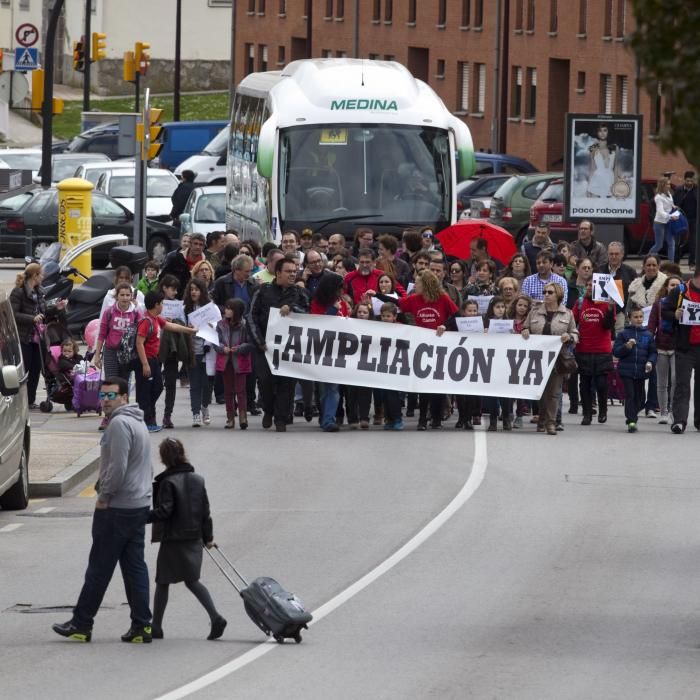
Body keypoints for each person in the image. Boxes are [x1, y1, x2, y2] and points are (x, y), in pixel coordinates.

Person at [52, 377, 153, 644]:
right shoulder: (138, 420)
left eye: (111, 396)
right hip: (138, 505)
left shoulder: (119, 424)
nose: (106, 401)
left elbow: (117, 468)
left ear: (124, 397)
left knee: (99, 568)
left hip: (118, 507)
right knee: (134, 568)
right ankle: (142, 626)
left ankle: (81, 623)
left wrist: (104, 495)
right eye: (103, 396)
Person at [148, 437, 226, 641]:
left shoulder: (167, 482)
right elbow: (205, 512)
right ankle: (215, 617)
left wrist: (142, 516)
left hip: (174, 539)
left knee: (162, 582)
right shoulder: (198, 480)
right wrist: (208, 538)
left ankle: (156, 626)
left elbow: (165, 511)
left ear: (164, 458)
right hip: (194, 538)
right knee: (192, 581)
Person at [247, 255, 310, 432]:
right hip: (265, 348)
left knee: (286, 384)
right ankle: (268, 410)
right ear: (278, 273)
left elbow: (308, 315)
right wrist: (259, 342)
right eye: (288, 271)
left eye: (294, 271)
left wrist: (292, 309)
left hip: (288, 348)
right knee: (266, 382)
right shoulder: (263, 291)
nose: (292, 274)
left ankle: (281, 418)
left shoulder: (300, 293)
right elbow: (251, 316)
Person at [398, 270, 457, 430]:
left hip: (440, 347)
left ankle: (436, 419)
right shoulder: (415, 299)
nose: (415, 286)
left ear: (426, 284)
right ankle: (422, 419)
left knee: (437, 386)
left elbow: (456, 314)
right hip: (422, 347)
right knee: (423, 386)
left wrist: (445, 325)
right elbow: (398, 303)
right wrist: (376, 295)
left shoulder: (443, 298)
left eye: (417, 283)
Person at [134, 291, 196, 432]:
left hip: (155, 360)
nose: (163, 306)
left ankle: (149, 418)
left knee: (157, 388)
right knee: (144, 393)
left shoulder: (156, 318)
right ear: (156, 305)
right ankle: (146, 421)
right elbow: (139, 343)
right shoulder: (146, 321)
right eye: (161, 303)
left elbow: (170, 326)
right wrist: (144, 364)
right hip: (147, 361)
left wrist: (188, 331)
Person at [522, 282, 579, 435]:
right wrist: (525, 331)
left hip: (558, 358)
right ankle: (541, 420)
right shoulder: (534, 312)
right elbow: (524, 327)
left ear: (558, 295)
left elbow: (575, 333)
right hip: (537, 358)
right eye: (545, 292)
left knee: (554, 392)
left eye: (550, 292)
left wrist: (570, 337)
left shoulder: (567, 313)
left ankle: (551, 423)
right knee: (540, 391)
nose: (546, 294)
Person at [10, 262, 67, 409]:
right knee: (24, 370)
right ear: (35, 275)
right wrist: (31, 318)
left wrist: (56, 309)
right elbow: (13, 314)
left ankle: (30, 401)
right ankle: (17, 401)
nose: (42, 277)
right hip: (24, 338)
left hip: (37, 338)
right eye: (41, 274)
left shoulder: (39, 292)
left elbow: (43, 313)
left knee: (36, 369)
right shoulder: (19, 292)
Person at [310, 272, 350, 432]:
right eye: (339, 289)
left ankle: (328, 420)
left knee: (332, 388)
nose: (342, 292)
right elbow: (317, 325)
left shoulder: (343, 305)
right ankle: (325, 417)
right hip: (321, 351)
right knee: (324, 388)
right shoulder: (316, 303)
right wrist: (333, 311)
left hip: (338, 352)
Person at [662, 266, 700, 434]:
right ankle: (679, 421)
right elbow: (664, 310)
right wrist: (675, 315)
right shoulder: (680, 290)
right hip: (685, 347)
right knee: (682, 385)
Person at [573, 280, 616, 425]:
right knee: (584, 384)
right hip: (583, 349)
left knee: (601, 383)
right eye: (588, 285)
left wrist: (610, 309)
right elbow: (572, 322)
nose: (590, 287)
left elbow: (607, 326)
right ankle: (586, 414)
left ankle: (603, 409)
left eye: (593, 285)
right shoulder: (580, 303)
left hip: (601, 350)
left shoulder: (606, 303)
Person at [613, 306, 657, 433]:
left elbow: (653, 352)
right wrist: (627, 346)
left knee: (641, 399)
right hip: (627, 371)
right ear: (629, 318)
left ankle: (633, 414)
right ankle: (631, 420)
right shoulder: (623, 334)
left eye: (640, 317)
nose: (638, 319)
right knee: (630, 395)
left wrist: (650, 362)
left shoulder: (648, 335)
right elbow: (616, 351)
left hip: (641, 371)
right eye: (635, 317)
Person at [183, 278, 220, 428]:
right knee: (195, 384)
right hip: (191, 351)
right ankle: (195, 413)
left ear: (202, 291)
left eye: (196, 289)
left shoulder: (212, 308)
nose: (193, 292)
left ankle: (205, 407)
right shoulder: (185, 308)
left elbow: (217, 326)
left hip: (207, 351)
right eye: (191, 289)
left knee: (207, 385)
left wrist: (208, 343)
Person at [157, 275, 192, 430]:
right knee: (155, 382)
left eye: (177, 289)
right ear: (164, 287)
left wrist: (176, 322)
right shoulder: (155, 300)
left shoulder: (179, 305)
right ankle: (149, 412)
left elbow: (183, 322)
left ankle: (167, 415)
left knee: (171, 382)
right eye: (173, 289)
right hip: (155, 345)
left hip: (171, 347)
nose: (175, 292)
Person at [648, 275, 682, 424]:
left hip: (678, 347)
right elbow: (651, 325)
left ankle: (673, 410)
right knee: (662, 382)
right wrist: (648, 345)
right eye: (672, 285)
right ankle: (663, 412)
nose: (674, 288)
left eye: (677, 285)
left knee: (675, 380)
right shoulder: (659, 304)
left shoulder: (685, 304)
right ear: (667, 287)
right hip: (661, 346)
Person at [215, 298, 253, 429]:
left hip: (239, 361)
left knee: (241, 390)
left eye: (229, 308)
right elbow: (216, 342)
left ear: (236, 311)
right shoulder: (220, 324)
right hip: (226, 362)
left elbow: (250, 342)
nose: (226, 310)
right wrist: (222, 348)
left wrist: (240, 348)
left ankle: (243, 417)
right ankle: (230, 418)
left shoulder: (245, 325)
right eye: (226, 307)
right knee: (228, 391)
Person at [94, 282, 141, 384]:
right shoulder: (109, 311)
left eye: (128, 295)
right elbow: (101, 334)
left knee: (123, 384)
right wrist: (97, 354)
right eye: (122, 295)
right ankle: (110, 400)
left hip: (127, 353)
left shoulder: (136, 313)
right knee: (111, 382)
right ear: (116, 296)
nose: (125, 298)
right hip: (110, 351)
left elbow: (141, 334)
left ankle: (123, 400)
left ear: (131, 296)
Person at [484, 296, 513, 431]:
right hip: (490, 361)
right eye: (497, 307)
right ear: (492, 309)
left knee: (505, 393)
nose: (500, 310)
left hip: (505, 361)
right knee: (491, 393)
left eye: (503, 307)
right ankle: (493, 420)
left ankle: (506, 418)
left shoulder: (510, 323)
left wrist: (515, 334)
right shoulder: (485, 323)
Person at [346, 302, 374, 430]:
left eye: (365, 312)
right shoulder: (349, 326)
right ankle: (353, 418)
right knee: (351, 393)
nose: (362, 315)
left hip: (366, 365)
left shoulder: (375, 327)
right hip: (351, 365)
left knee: (366, 393)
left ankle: (364, 418)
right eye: (360, 312)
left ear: (369, 315)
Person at [376, 301, 404, 430]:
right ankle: (389, 419)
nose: (385, 319)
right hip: (381, 365)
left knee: (393, 394)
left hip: (395, 365)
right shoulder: (377, 328)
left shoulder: (401, 329)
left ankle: (398, 419)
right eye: (383, 316)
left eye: (388, 316)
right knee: (384, 395)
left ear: (394, 317)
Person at [160, 232, 207, 299]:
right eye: (195, 243)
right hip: (176, 299)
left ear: (203, 247)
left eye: (201, 245)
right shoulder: (175, 259)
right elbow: (163, 278)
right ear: (190, 244)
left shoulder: (206, 264)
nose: (198, 247)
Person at [585, 123, 619, 198]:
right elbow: (592, 168)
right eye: (600, 131)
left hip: (610, 180)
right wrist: (588, 188)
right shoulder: (592, 148)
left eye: (605, 130)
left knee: (610, 207)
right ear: (597, 133)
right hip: (596, 182)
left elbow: (616, 168)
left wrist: (616, 184)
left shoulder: (615, 147)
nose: (602, 133)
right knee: (596, 207)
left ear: (608, 132)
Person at [674, 171, 698, 266]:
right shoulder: (679, 190)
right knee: (679, 240)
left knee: (693, 241)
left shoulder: (697, 190)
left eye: (691, 181)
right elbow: (674, 203)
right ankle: (676, 261)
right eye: (688, 181)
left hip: (694, 219)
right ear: (684, 180)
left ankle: (691, 262)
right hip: (682, 219)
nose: (689, 183)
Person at [650, 177, 676, 261]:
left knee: (671, 243)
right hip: (659, 223)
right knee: (659, 245)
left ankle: (671, 264)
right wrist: (670, 216)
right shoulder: (658, 197)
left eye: (669, 184)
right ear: (662, 185)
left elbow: (670, 204)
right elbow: (660, 211)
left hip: (668, 222)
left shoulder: (669, 193)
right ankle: (647, 259)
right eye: (667, 184)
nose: (669, 186)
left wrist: (674, 207)